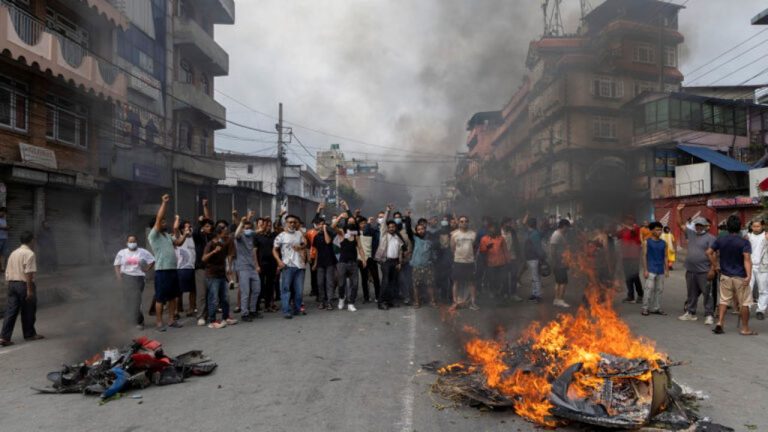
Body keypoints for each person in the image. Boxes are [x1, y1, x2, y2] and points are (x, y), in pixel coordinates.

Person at [707, 215, 757, 335]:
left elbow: (709, 252)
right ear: (740, 227)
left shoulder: (720, 239)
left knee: (724, 300)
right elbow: (747, 259)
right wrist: (749, 275)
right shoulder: (744, 242)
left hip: (725, 275)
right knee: (744, 303)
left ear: (727, 227)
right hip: (740, 276)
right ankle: (745, 329)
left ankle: (720, 323)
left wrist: (716, 265)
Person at [675, 204, 716, 325]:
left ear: (706, 226)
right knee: (691, 293)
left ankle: (709, 315)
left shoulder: (711, 238)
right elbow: (679, 224)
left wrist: (712, 270)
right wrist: (678, 211)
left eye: (701, 225)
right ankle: (690, 312)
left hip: (704, 271)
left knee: (707, 294)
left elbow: (714, 255)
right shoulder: (691, 234)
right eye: (697, 225)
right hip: (690, 270)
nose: (698, 227)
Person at [0, 231, 43, 346]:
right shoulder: (30, 254)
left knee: (11, 311)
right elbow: (29, 273)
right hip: (24, 285)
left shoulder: (13, 253)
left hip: (12, 284)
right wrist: (29, 290)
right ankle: (29, 334)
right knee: (28, 310)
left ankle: (4, 337)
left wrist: (8, 284)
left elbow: (7, 270)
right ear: (31, 240)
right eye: (34, 240)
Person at [146, 194, 182, 332]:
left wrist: (182, 232)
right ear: (155, 225)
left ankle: (172, 320)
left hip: (173, 270)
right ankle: (159, 323)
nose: (164, 222)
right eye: (162, 222)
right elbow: (159, 217)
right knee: (160, 298)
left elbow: (178, 242)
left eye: (165, 221)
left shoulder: (167, 236)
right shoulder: (153, 236)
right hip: (162, 271)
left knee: (173, 297)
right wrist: (164, 203)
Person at [114, 235, 155, 329]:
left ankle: (139, 321)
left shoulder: (143, 252)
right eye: (130, 241)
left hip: (138, 278)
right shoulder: (122, 253)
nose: (132, 243)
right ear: (127, 243)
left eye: (134, 241)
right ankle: (129, 320)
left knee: (136, 299)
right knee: (128, 299)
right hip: (126, 277)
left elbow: (152, 260)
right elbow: (117, 265)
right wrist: (119, 277)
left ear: (137, 241)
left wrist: (147, 269)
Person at [202, 225, 238, 329]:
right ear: (219, 234)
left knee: (225, 297)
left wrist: (229, 268)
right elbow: (203, 258)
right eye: (225, 232)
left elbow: (230, 255)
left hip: (222, 275)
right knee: (213, 298)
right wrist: (213, 252)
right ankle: (212, 321)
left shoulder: (224, 243)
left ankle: (226, 317)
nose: (227, 234)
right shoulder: (210, 244)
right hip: (212, 275)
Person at [273, 214, 307, 319]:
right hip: (287, 266)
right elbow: (274, 250)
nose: (292, 224)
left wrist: (300, 246)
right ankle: (286, 311)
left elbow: (305, 244)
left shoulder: (299, 234)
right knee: (286, 289)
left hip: (299, 266)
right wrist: (279, 261)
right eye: (290, 222)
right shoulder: (281, 236)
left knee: (299, 291)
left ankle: (297, 309)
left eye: (294, 222)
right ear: (286, 223)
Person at [332, 213, 366, 312]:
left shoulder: (356, 235)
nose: (351, 222)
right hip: (342, 263)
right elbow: (333, 226)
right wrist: (340, 217)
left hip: (353, 263)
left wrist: (363, 259)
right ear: (346, 223)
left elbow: (360, 247)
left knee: (355, 284)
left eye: (353, 221)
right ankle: (341, 299)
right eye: (349, 221)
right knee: (341, 284)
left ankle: (351, 303)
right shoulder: (342, 232)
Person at [375, 206, 405, 310]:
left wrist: (399, 262)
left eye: (393, 227)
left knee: (392, 282)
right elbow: (383, 223)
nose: (391, 228)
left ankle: (389, 301)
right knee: (385, 282)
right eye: (390, 227)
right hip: (385, 261)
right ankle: (381, 302)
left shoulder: (397, 238)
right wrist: (388, 211)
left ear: (395, 228)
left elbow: (400, 251)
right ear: (387, 228)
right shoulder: (384, 234)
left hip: (395, 262)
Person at [234, 213, 262, 322]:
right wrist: (241, 222)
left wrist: (256, 266)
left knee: (256, 289)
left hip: (252, 267)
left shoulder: (252, 236)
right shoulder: (239, 237)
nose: (248, 230)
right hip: (243, 268)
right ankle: (244, 313)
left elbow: (257, 231)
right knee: (245, 291)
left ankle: (253, 310)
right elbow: (236, 233)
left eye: (249, 228)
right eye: (245, 228)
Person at [193, 199, 214, 326]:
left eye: (210, 226)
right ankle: (200, 316)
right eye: (206, 226)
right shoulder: (198, 237)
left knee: (211, 293)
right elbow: (196, 230)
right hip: (201, 268)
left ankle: (209, 314)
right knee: (201, 293)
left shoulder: (211, 237)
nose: (209, 227)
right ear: (202, 228)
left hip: (212, 268)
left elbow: (209, 219)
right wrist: (200, 221)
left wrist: (205, 206)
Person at [450, 216, 478, 310]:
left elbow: (475, 247)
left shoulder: (473, 234)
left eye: (466, 221)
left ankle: (473, 302)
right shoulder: (454, 234)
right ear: (459, 223)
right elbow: (452, 248)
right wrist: (458, 256)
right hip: (458, 261)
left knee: (471, 282)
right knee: (456, 282)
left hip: (469, 262)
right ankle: (455, 302)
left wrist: (469, 256)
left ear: (468, 222)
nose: (464, 223)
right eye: (461, 221)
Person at [641, 222, 668, 316]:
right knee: (648, 289)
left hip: (660, 270)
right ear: (651, 230)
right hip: (651, 269)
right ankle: (645, 308)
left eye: (660, 229)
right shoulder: (647, 242)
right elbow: (644, 256)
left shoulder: (664, 243)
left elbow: (665, 256)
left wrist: (667, 270)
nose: (659, 231)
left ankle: (656, 308)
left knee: (659, 290)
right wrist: (645, 270)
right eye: (657, 229)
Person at [478, 222, 509, 302]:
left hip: (501, 262)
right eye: (490, 228)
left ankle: (502, 294)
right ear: (487, 229)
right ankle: (492, 293)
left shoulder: (501, 238)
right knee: (492, 279)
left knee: (501, 279)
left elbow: (505, 250)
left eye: (493, 228)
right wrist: (487, 247)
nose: (492, 230)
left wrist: (507, 261)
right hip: (490, 263)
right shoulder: (484, 239)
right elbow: (481, 251)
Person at [173, 217, 197, 319]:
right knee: (179, 291)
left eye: (190, 227)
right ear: (182, 229)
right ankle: (176, 311)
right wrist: (177, 219)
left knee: (193, 290)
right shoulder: (179, 236)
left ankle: (191, 309)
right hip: (182, 268)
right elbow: (175, 228)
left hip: (193, 267)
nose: (189, 229)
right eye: (186, 227)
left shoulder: (193, 238)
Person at [617, 218, 644, 304]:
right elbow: (617, 235)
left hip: (634, 257)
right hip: (625, 257)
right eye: (627, 219)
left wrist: (627, 227)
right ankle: (630, 296)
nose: (628, 221)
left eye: (631, 219)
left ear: (633, 220)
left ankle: (640, 294)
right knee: (628, 277)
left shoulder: (637, 228)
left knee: (635, 276)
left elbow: (634, 233)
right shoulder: (623, 230)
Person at [312, 218, 337, 310]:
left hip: (330, 261)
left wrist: (326, 230)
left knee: (329, 282)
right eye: (319, 224)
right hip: (320, 263)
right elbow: (317, 251)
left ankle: (329, 302)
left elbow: (327, 241)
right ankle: (322, 301)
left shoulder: (329, 234)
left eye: (323, 224)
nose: (321, 226)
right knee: (320, 283)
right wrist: (315, 263)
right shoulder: (316, 237)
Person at [411, 223, 436, 307]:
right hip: (417, 266)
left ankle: (432, 301)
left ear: (425, 229)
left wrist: (432, 260)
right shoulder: (415, 239)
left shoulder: (430, 241)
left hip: (428, 266)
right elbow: (408, 230)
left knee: (430, 284)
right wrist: (407, 218)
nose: (421, 231)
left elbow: (432, 253)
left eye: (422, 229)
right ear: (416, 231)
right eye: (418, 229)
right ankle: (417, 302)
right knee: (416, 285)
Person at [522, 215, 545, 303]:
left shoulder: (534, 234)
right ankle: (534, 294)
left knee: (536, 278)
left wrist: (541, 258)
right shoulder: (530, 232)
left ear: (529, 224)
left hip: (534, 258)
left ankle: (538, 296)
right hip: (530, 258)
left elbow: (537, 247)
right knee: (533, 277)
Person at [549, 219, 571, 308]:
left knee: (558, 282)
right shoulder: (556, 235)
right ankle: (560, 300)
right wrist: (556, 261)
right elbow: (552, 250)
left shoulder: (560, 235)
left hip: (560, 262)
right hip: (559, 263)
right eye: (567, 227)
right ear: (564, 226)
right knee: (563, 282)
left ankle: (557, 299)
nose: (568, 229)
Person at [500, 219, 523, 302]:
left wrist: (519, 256)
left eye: (510, 223)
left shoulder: (512, 232)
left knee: (514, 276)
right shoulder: (499, 233)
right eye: (508, 223)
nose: (509, 225)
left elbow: (516, 244)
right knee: (504, 277)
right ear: (503, 224)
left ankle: (514, 294)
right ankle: (505, 293)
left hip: (513, 257)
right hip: (503, 259)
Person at [750, 219, 768, 321]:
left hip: (763, 266)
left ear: (762, 226)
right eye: (754, 226)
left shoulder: (766, 236)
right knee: (748, 288)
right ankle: (746, 307)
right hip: (750, 266)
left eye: (758, 226)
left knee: (763, 289)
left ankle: (760, 310)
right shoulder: (748, 236)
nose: (756, 228)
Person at [358, 217, 378, 303]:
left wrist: (369, 224)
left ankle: (378, 296)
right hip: (361, 259)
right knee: (364, 279)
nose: (363, 225)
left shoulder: (371, 232)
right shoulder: (356, 233)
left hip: (371, 258)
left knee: (375, 278)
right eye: (361, 223)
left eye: (365, 223)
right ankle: (366, 297)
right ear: (358, 225)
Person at [0, 207, 8, 272]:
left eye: (4, 212)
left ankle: (2, 268)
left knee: (3, 254)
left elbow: (4, 227)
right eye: (3, 212)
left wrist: (7, 227)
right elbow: (2, 227)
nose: (4, 213)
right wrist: (6, 227)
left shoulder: (4, 219)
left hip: (4, 238)